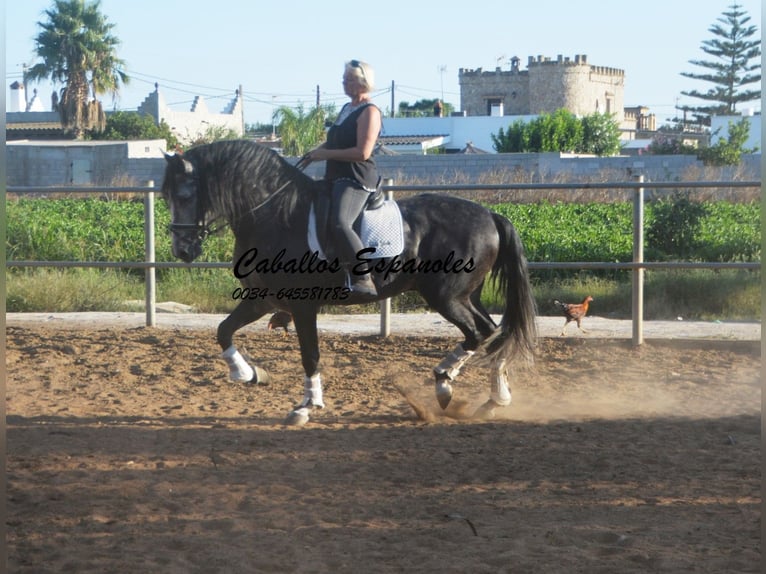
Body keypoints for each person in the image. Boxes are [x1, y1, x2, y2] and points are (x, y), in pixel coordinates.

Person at [301, 59, 382, 297]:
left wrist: (324, 154)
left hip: (356, 178)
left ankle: (363, 278)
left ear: (362, 82)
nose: (344, 83)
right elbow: (335, 140)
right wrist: (315, 153)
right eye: (344, 79)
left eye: (348, 79)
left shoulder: (370, 111)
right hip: (334, 176)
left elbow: (362, 152)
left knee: (340, 222)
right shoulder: (347, 109)